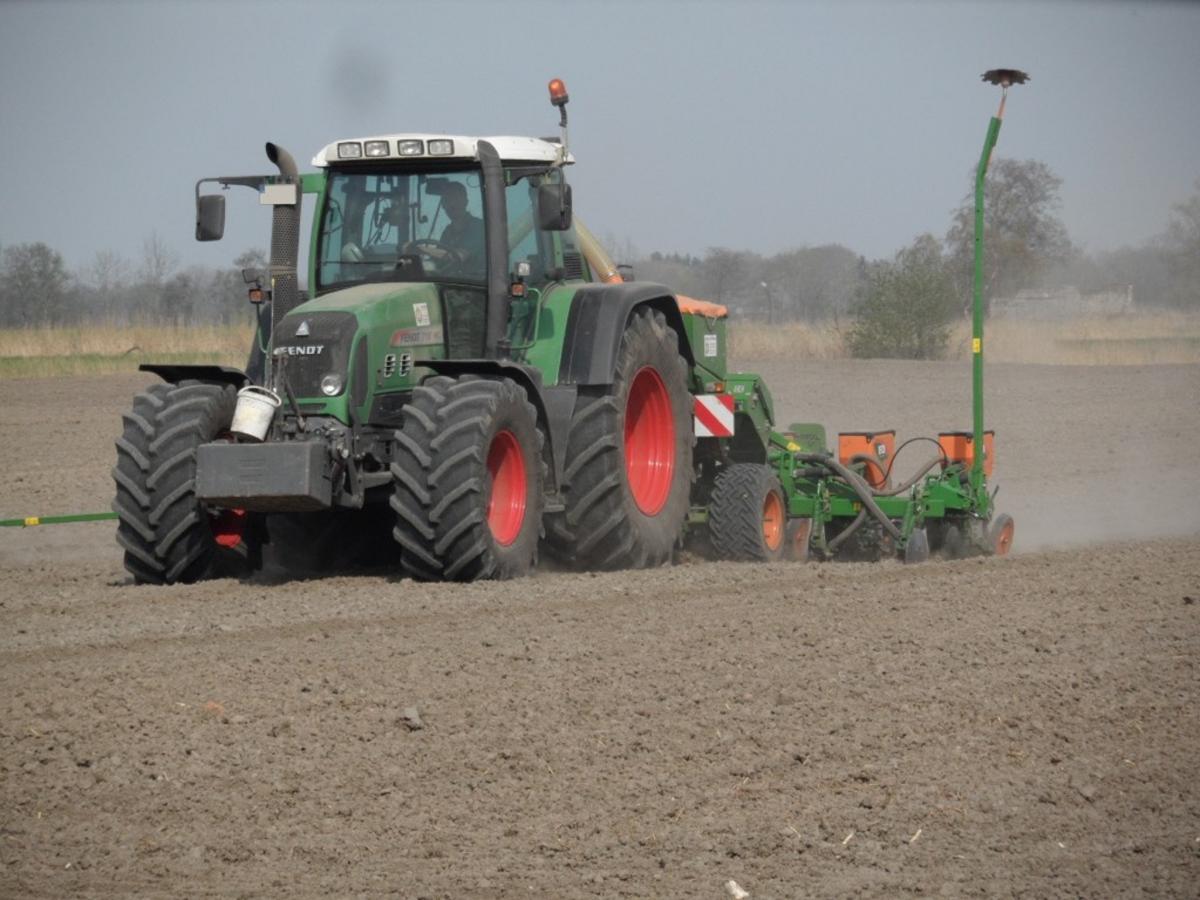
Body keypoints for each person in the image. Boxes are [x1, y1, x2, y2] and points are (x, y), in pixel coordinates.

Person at [423, 181, 485, 275]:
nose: (451, 204)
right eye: (446, 200)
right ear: (443, 205)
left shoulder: (478, 227)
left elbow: (458, 255)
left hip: (473, 283)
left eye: (455, 198)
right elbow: (438, 259)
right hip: (450, 282)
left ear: (465, 202)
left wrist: (421, 249)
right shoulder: (448, 231)